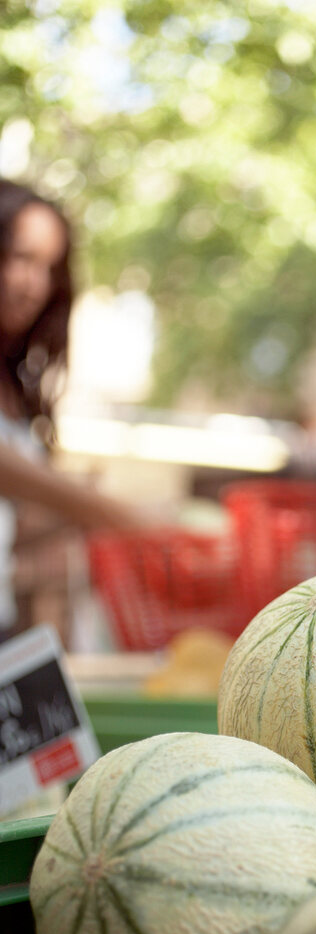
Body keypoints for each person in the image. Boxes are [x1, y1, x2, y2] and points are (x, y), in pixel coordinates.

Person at [0, 179, 143, 639]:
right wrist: (108, 509)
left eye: (49, 268)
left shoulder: (15, 384)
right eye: (21, 258)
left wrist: (66, 510)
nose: (34, 286)